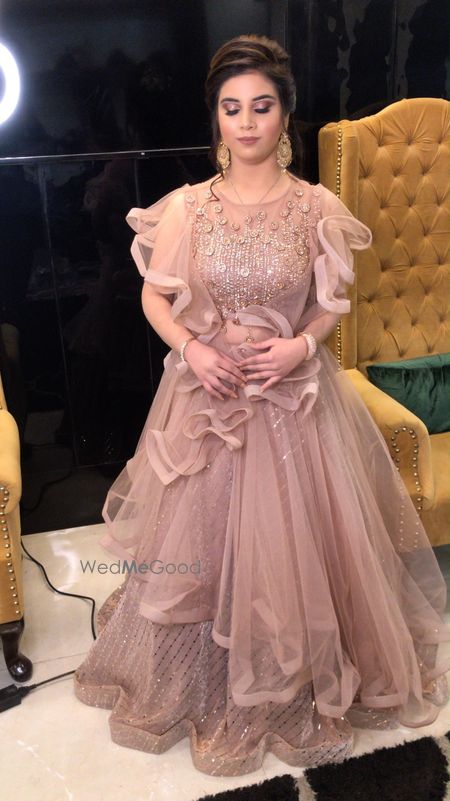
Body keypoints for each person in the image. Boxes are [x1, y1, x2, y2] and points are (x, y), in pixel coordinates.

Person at [74, 34, 449, 777]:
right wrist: (192, 349)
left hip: (294, 404)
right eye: (232, 108)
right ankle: (200, 675)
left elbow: (329, 303)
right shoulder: (188, 208)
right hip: (207, 396)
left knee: (300, 551)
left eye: (262, 107)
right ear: (216, 118)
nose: (246, 122)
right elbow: (154, 296)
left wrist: (302, 347)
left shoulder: (317, 207)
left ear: (285, 114)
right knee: (199, 549)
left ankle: (291, 674)